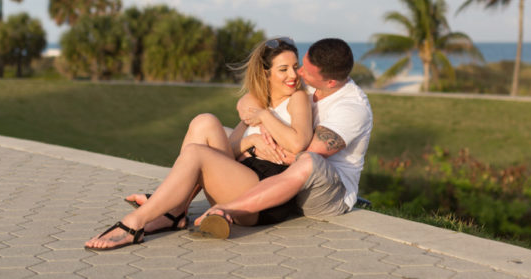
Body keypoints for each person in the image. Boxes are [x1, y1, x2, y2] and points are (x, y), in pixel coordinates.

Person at [85, 37, 313, 250]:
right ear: (265, 74)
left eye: (294, 67)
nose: (292, 75)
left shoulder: (297, 98)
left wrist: (264, 117)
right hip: (242, 177)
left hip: (265, 194)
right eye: (283, 69)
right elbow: (231, 149)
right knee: (204, 121)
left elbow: (298, 143)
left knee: (196, 153)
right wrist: (251, 141)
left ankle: (135, 222)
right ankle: (175, 212)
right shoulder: (259, 101)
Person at [195, 38, 373, 229]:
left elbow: (301, 153)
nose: (299, 72)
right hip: (287, 176)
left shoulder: (352, 108)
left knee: (307, 160)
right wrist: (259, 126)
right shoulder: (312, 83)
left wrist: (256, 145)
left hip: (328, 193)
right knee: (217, 133)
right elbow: (249, 100)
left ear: (330, 82)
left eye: (306, 71)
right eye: (301, 65)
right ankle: (177, 208)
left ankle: (229, 209)